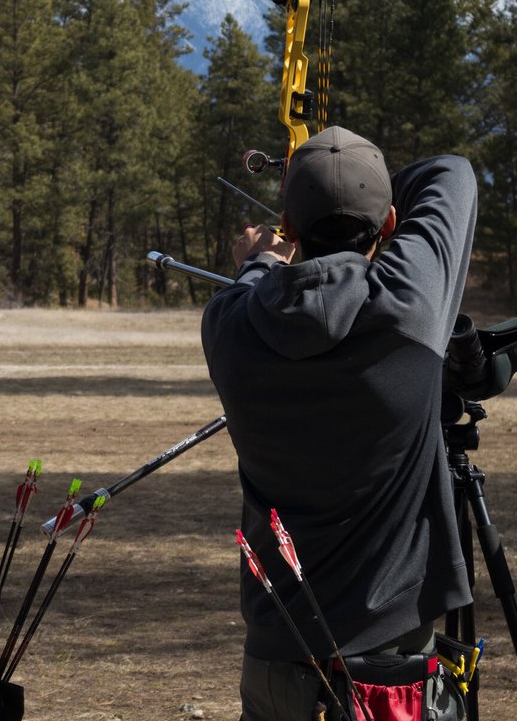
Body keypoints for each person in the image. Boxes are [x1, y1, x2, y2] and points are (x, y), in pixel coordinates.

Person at [200, 126, 476, 720]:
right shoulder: (408, 306)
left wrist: (266, 254)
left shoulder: (228, 328)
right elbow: (451, 172)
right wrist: (358, 183)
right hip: (388, 668)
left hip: (277, 659)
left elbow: (252, 282)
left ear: (289, 227)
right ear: (390, 223)